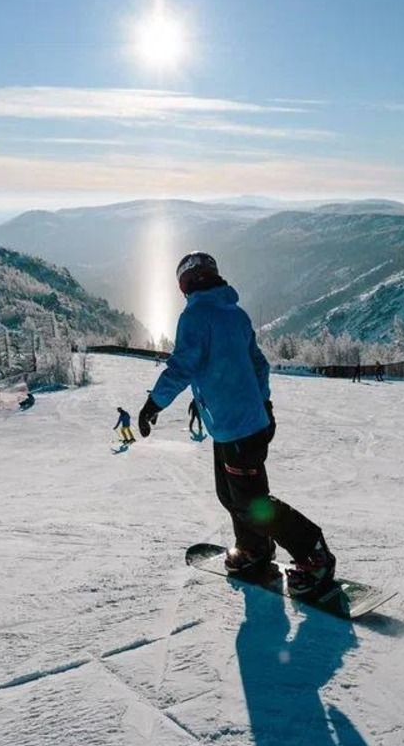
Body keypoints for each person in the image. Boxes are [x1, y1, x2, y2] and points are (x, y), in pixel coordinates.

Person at [138, 252, 337, 593]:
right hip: (238, 424)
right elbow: (255, 365)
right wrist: (263, 404)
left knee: (251, 502)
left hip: (239, 427)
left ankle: (314, 554)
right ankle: (254, 548)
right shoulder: (235, 313)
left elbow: (183, 365)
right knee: (230, 495)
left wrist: (153, 403)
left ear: (185, 284)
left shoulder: (196, 315)